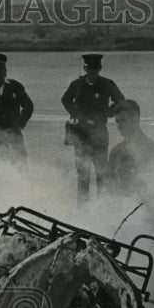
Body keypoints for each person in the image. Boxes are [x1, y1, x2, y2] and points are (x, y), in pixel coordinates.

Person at [60, 53, 125, 203]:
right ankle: (82, 211)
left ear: (100, 68)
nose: (92, 73)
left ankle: (101, 207)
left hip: (99, 133)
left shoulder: (107, 84)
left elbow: (120, 100)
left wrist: (109, 112)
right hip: (81, 134)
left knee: (101, 174)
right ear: (85, 68)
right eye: (89, 69)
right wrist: (74, 113)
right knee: (83, 176)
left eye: (95, 69)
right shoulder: (77, 84)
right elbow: (65, 99)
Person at [106, 99, 154, 203]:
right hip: (117, 210)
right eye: (117, 121)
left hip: (141, 210)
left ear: (135, 118)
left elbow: (149, 187)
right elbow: (109, 187)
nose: (119, 126)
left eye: (123, 120)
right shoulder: (116, 151)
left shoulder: (151, 149)